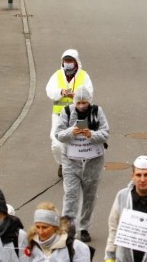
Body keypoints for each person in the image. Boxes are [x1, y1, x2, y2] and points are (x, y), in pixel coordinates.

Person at [55, 87, 109, 243]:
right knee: (71, 194)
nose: (81, 106)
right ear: (74, 102)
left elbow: (105, 133)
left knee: (89, 196)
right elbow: (59, 134)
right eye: (79, 102)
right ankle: (68, 227)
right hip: (71, 161)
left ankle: (84, 227)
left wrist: (91, 134)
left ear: (89, 101)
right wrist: (72, 131)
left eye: (84, 102)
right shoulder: (66, 112)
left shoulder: (97, 112)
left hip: (93, 161)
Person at [45, 49, 93, 177]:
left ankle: (79, 166)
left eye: (70, 61)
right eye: (66, 61)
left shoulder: (84, 76)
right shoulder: (57, 75)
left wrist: (76, 96)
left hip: (80, 115)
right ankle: (63, 164)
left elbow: (89, 94)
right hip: (59, 115)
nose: (68, 63)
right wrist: (61, 92)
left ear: (76, 62)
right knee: (56, 142)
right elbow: (49, 91)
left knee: (81, 141)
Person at [23, 202, 91, 261]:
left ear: (55, 227)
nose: (40, 232)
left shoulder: (76, 247)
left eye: (45, 227)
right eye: (37, 227)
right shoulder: (31, 244)